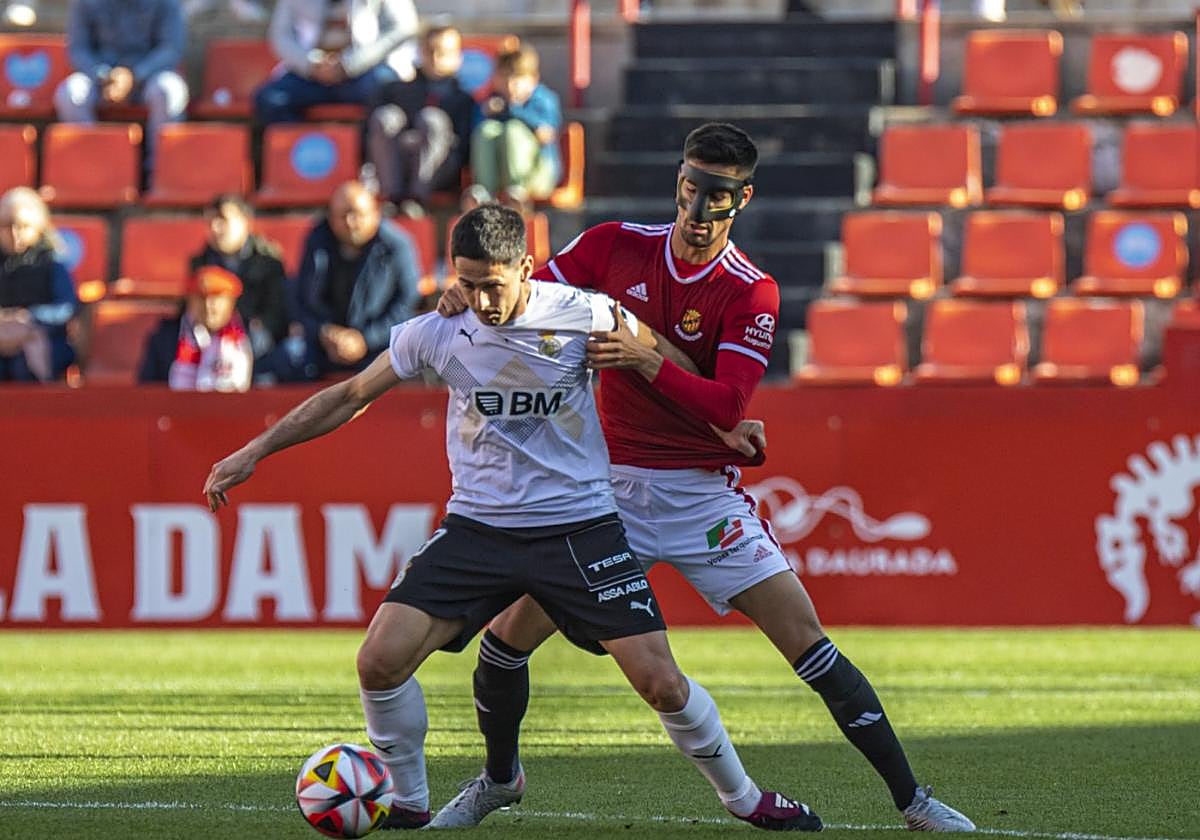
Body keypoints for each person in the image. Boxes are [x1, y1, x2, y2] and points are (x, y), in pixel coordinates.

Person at [201, 204, 823, 832]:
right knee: (378, 662)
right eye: (466, 282)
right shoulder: (437, 331)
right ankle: (412, 801)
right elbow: (349, 396)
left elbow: (660, 357)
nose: (479, 299)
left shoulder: (582, 312)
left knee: (661, 682)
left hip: (580, 527)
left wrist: (726, 422)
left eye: (492, 284)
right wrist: (254, 452)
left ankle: (745, 799)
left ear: (526, 267)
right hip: (479, 528)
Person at [434, 123, 977, 832]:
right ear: (678, 183)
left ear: (741, 199)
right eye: (689, 189)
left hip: (699, 496)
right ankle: (499, 781)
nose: (696, 210)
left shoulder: (751, 292)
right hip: (604, 496)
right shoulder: (613, 245)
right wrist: (461, 296)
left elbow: (728, 404)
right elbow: (522, 303)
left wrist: (645, 357)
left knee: (808, 642)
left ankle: (915, 801)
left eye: (715, 196)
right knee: (504, 644)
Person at [290, 181, 422, 378]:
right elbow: (299, 297)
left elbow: (408, 303)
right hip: (324, 346)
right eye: (342, 215)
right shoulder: (316, 240)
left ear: (375, 213)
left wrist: (365, 340)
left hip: (381, 344)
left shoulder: (397, 245)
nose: (350, 222)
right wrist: (324, 332)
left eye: (357, 214)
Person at [55, 0, 189, 162]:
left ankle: (161, 172)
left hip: (149, 76)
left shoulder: (167, 3)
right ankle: (95, 168)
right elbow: (78, 50)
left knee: (168, 91)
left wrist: (134, 75)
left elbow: (170, 49)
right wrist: (104, 76)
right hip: (102, 79)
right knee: (70, 94)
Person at [366, 25, 479, 213]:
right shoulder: (398, 90)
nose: (435, 59)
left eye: (443, 53)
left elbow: (464, 148)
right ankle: (392, 199)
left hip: (441, 170)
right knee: (385, 116)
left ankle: (417, 200)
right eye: (430, 51)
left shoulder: (464, 100)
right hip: (400, 165)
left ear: (458, 57)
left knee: (431, 119)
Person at [255, 0, 419, 126]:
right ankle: (298, 156)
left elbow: (402, 27)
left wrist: (351, 63)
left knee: (388, 94)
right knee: (271, 98)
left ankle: (369, 158)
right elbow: (281, 34)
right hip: (312, 75)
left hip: (364, 71)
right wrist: (311, 63)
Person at [190, 195, 292, 373]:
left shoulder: (269, 261)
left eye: (222, 220)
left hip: (257, 343)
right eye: (210, 222)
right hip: (211, 343)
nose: (215, 228)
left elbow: (277, 314)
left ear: (245, 222)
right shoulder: (200, 263)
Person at [0, 187, 79, 382]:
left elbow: (66, 307)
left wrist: (29, 319)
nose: (14, 233)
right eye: (6, 225)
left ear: (38, 227)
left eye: (22, 226)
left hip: (44, 338)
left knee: (24, 364)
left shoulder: (52, 262)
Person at [469, 45, 561, 208]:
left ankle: (517, 191)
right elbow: (473, 131)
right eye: (504, 78)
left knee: (513, 130)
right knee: (486, 130)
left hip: (539, 174)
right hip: (500, 175)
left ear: (534, 79)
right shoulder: (491, 101)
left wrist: (511, 109)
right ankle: (486, 192)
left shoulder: (543, 100)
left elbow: (546, 133)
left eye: (518, 78)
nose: (511, 85)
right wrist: (485, 113)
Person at [139, 266, 253, 392]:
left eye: (216, 297)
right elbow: (148, 390)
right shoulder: (166, 338)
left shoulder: (251, 337)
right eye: (201, 298)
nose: (208, 305)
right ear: (189, 301)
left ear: (231, 301)